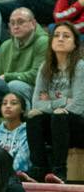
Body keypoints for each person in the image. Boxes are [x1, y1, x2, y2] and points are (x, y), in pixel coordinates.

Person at [26, 21, 84, 183]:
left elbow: (79, 106)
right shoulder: (45, 67)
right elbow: (37, 104)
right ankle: (39, 168)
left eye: (66, 36)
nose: (60, 39)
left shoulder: (80, 67)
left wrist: (51, 102)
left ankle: (59, 171)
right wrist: (64, 101)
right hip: (57, 124)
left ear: (74, 44)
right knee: (33, 116)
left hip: (78, 127)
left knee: (59, 117)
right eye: (57, 35)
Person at [0, 7, 49, 105]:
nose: (16, 26)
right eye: (12, 23)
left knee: (15, 85)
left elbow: (37, 75)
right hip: (10, 86)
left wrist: (8, 76)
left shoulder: (43, 42)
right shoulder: (5, 45)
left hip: (38, 90)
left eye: (20, 22)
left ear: (33, 24)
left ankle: (25, 119)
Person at [0, 93, 31, 173]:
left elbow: (21, 163)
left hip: (15, 179)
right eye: (4, 103)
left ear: (22, 109)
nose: (8, 106)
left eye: (13, 103)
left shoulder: (27, 133)